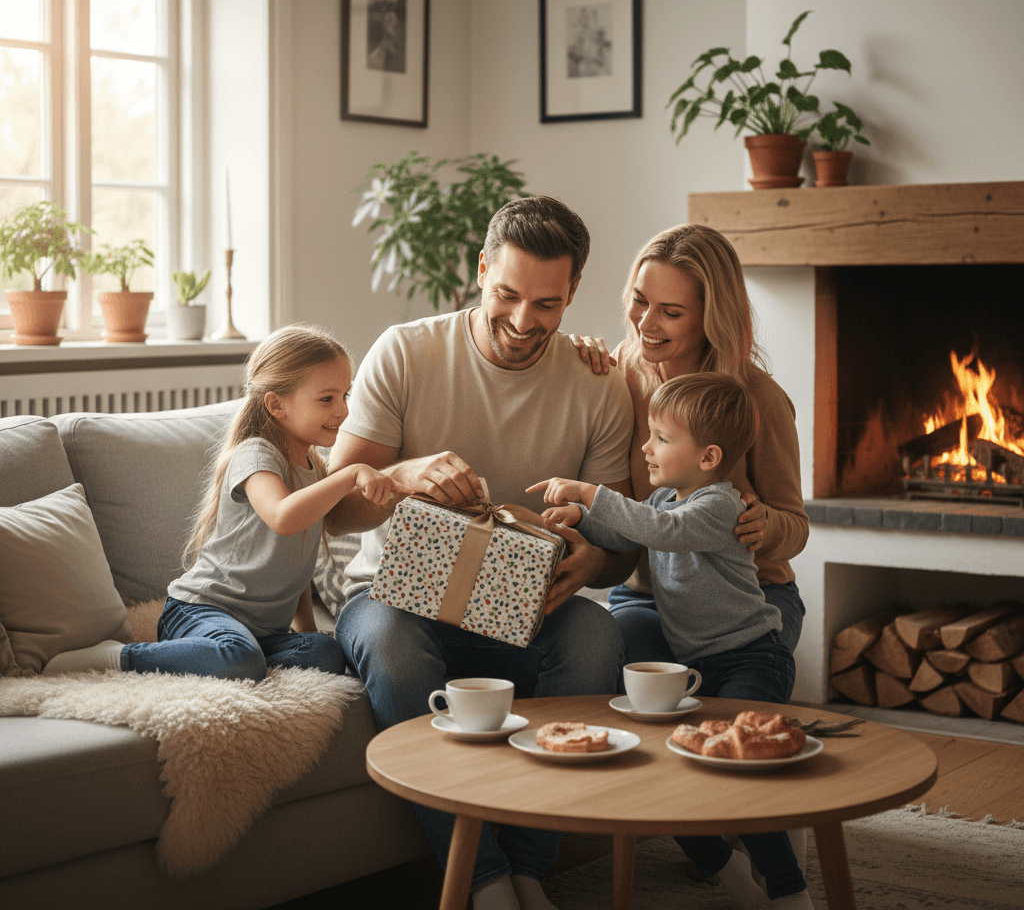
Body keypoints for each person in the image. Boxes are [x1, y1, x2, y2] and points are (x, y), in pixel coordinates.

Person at [328, 196, 634, 910]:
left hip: (527, 609)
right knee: (396, 649)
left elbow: (618, 548)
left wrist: (592, 561)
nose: (524, 323)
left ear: (574, 294)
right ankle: (486, 878)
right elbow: (337, 511)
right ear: (480, 270)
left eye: (547, 304)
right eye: (507, 295)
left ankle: (533, 865)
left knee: (596, 633)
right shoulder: (407, 351)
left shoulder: (598, 383)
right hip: (395, 599)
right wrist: (401, 475)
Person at [528, 372, 812, 910]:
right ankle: (727, 873)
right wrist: (582, 518)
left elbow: (664, 531)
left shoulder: (721, 505)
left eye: (660, 437)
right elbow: (629, 530)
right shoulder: (663, 498)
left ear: (708, 457)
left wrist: (591, 491)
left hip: (751, 656)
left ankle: (789, 891)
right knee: (673, 771)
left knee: (740, 773)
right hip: (696, 661)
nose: (645, 446)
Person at [44, 324, 403, 681]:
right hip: (201, 612)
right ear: (277, 404)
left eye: (345, 395)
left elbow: (296, 560)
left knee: (325, 653)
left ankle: (239, 657)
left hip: (264, 632)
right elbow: (283, 517)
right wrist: (353, 472)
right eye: (327, 399)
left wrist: (305, 628)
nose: (343, 411)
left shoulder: (315, 470)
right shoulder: (256, 455)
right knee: (237, 656)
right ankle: (117, 657)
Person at [571, 224, 808, 654]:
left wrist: (766, 526)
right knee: (616, 670)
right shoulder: (616, 373)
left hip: (748, 601)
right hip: (649, 595)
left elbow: (795, 527)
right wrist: (565, 357)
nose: (645, 322)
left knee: (727, 707)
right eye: (639, 301)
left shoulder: (759, 400)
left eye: (671, 312)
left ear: (711, 316)